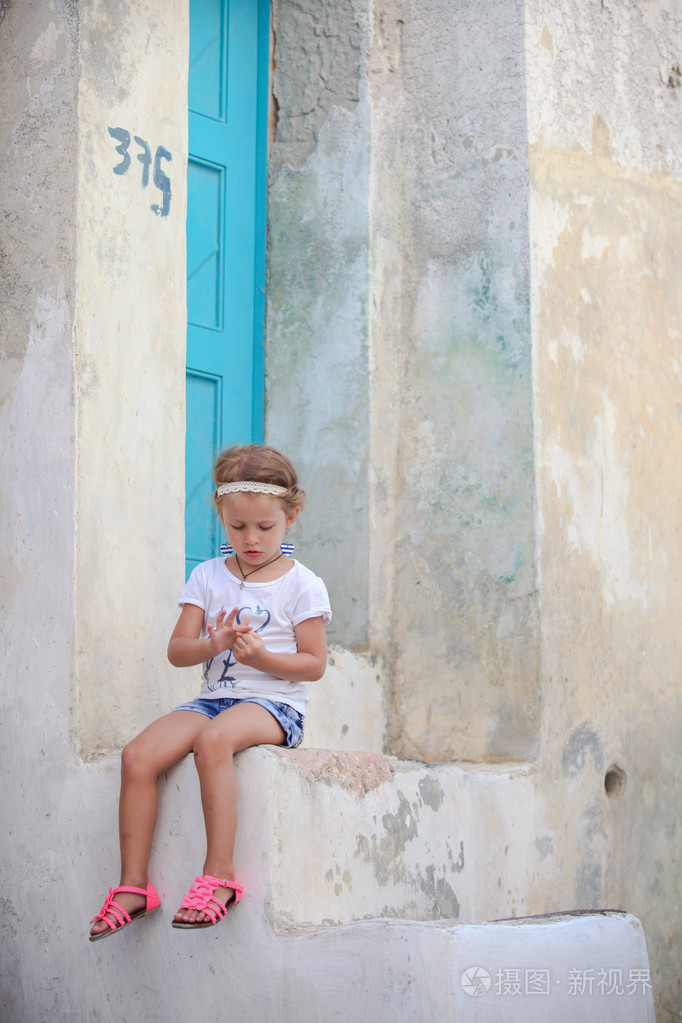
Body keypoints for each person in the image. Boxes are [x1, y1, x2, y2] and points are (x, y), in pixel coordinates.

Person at [89, 444, 331, 938]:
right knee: (137, 756)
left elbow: (314, 664)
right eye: (237, 526)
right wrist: (213, 644)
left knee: (212, 741)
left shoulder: (302, 585)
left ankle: (219, 876)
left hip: (274, 704)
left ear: (291, 517)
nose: (251, 538)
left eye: (265, 527)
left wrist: (262, 659)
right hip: (212, 699)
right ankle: (134, 887)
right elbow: (178, 651)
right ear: (221, 515)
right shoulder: (207, 575)